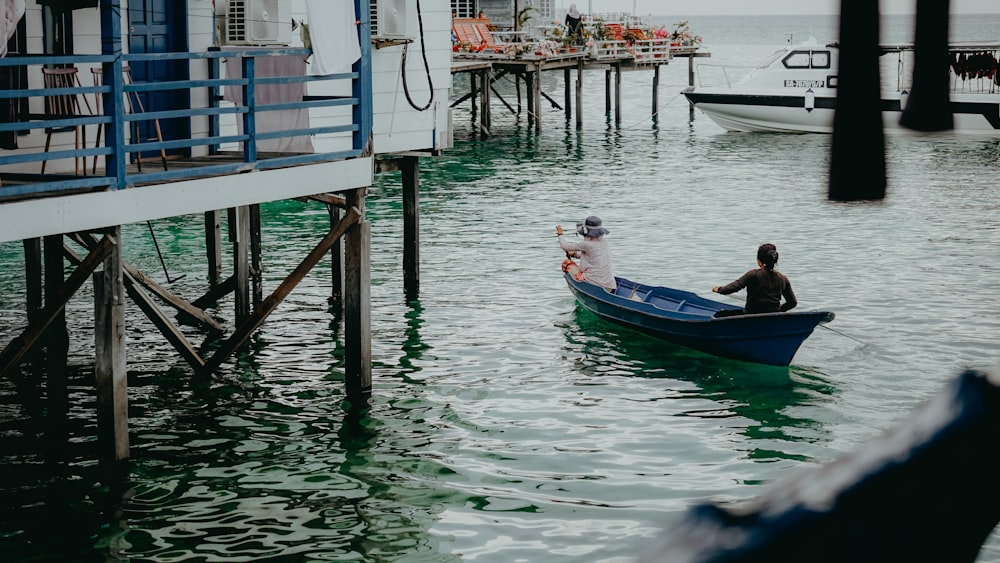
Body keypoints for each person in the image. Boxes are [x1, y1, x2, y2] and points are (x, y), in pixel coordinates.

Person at [711, 243, 797, 317]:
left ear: (759, 261)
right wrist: (780, 309)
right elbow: (792, 302)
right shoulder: (783, 279)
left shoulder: (753, 274)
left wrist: (719, 289)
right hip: (773, 317)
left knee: (719, 315)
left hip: (751, 316)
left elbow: (733, 287)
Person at [556, 216, 616, 293]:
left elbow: (565, 246)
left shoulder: (587, 245)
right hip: (609, 284)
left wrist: (560, 234)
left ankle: (582, 287)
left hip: (595, 283)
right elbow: (591, 256)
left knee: (567, 264)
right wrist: (574, 254)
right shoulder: (604, 243)